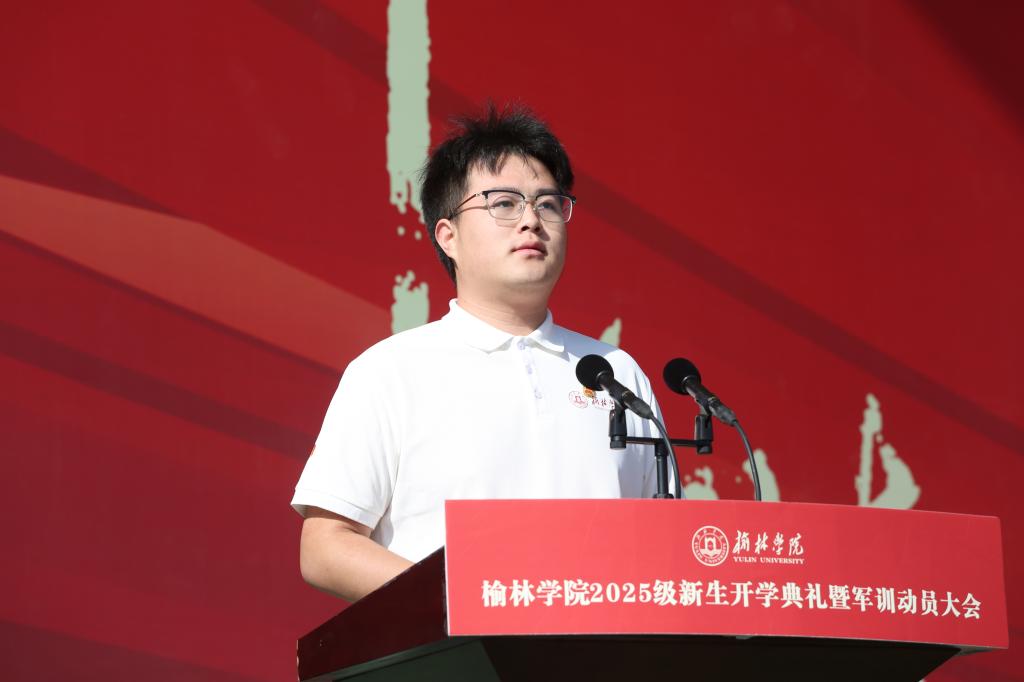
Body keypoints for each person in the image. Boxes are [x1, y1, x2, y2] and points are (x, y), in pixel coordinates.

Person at [292, 104, 665, 601]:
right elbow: (325, 547)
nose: (531, 220)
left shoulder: (615, 374)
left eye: (548, 204)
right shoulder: (391, 370)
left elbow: (661, 545)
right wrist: (465, 600)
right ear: (448, 237)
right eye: (503, 203)